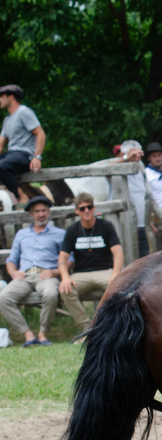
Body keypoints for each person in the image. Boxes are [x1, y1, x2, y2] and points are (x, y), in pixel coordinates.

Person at [0, 196, 64, 346]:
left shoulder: (59, 234)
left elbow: (69, 260)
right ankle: (28, 335)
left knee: (50, 293)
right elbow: (11, 260)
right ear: (31, 214)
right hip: (24, 276)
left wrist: (54, 272)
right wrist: (14, 273)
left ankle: (43, 333)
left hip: (47, 274)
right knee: (4, 298)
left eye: (43, 211)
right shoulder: (22, 234)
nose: (41, 214)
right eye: (37, 211)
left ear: (48, 212)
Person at [58, 193, 123, 332]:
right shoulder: (72, 230)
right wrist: (65, 277)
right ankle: (87, 329)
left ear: (94, 208)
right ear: (77, 211)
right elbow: (62, 259)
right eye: (82, 209)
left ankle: (112, 328)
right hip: (81, 273)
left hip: (105, 271)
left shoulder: (106, 226)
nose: (86, 211)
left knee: (121, 288)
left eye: (89, 207)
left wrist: (115, 274)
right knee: (65, 290)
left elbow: (118, 253)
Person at [0, 85, 46, 205]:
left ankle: (21, 195)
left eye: (1, 96)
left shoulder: (24, 112)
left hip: (24, 155)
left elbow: (40, 134)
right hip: (11, 155)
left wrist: (37, 157)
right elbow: (0, 145)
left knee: (2, 166)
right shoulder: (7, 120)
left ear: (11, 97)